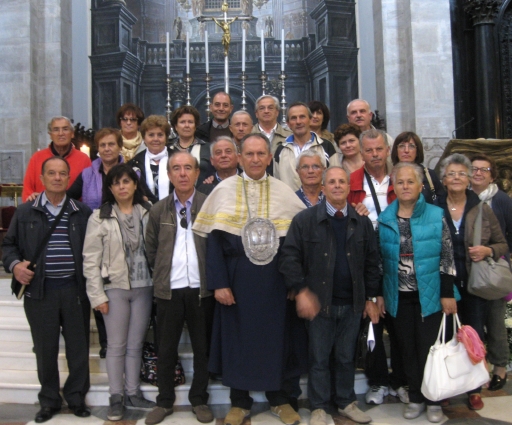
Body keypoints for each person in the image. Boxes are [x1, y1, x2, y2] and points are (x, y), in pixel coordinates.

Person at [193, 134, 307, 425]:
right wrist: (219, 283)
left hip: (275, 281)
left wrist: (294, 284)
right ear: (240, 158)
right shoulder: (224, 190)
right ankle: (239, 402)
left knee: (277, 339)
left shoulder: (284, 191)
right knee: (237, 340)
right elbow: (214, 245)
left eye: (261, 154)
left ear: (269, 158)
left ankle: (280, 400)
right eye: (249, 154)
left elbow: (296, 245)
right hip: (236, 280)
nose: (255, 159)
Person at [280, 166, 381, 425]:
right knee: (319, 359)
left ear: (349, 188)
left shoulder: (361, 222)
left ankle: (346, 402)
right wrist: (301, 290)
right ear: (323, 188)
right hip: (319, 304)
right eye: (332, 182)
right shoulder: (304, 220)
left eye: (342, 182)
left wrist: (371, 297)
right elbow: (289, 258)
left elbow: (372, 261)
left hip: (352, 303)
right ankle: (319, 407)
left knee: (347, 357)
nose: (337, 186)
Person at [2, 157, 92, 423]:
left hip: (75, 289)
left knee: (78, 348)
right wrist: (15, 265)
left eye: (62, 173)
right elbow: (8, 246)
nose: (56, 178)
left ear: (68, 178)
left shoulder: (81, 211)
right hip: (41, 291)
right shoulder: (26, 212)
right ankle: (49, 400)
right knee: (45, 348)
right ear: (41, 178)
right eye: (51, 173)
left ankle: (76, 398)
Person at [379, 162, 458, 423]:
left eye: (410, 181)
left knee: (429, 349)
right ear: (394, 187)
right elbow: (379, 262)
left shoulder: (436, 215)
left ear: (421, 185)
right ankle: (415, 396)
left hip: (431, 295)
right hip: (399, 296)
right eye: (400, 182)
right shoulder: (385, 218)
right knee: (406, 350)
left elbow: (447, 255)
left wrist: (447, 292)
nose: (405, 186)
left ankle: (433, 399)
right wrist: (378, 295)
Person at [145, 152, 214, 425]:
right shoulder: (158, 210)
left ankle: (199, 399)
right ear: (170, 175)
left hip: (201, 290)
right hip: (169, 291)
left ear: (197, 173)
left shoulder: (209, 205)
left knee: (202, 348)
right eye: (176, 168)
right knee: (167, 349)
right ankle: (164, 401)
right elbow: (151, 249)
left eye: (188, 168)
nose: (182, 173)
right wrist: (163, 273)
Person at [83, 164, 155, 421]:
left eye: (127, 181)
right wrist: (97, 296)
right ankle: (116, 397)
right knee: (116, 346)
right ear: (110, 188)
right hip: (114, 289)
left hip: (144, 287)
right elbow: (90, 259)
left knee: (135, 345)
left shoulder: (148, 212)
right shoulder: (99, 216)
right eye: (117, 183)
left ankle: (133, 392)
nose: (122, 186)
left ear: (135, 185)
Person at [438, 153, 508, 411]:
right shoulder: (434, 207)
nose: (456, 178)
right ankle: (446, 386)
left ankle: (473, 389)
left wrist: (488, 251)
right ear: (443, 179)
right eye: (451, 174)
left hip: (474, 285)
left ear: (469, 179)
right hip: (443, 284)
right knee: (446, 338)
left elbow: (501, 243)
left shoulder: (481, 208)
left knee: (474, 337)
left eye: (461, 173)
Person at [347, 128, 408, 406]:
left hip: (400, 259)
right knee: (371, 321)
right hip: (365, 261)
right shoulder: (351, 182)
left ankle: (401, 380)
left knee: (400, 324)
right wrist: (354, 213)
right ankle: (378, 381)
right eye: (368, 150)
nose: (374, 155)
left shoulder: (402, 179)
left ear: (387, 150)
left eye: (379, 149)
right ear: (362, 152)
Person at [68, 127, 126, 358]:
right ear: (97, 149)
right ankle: (105, 341)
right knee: (99, 289)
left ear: (119, 147)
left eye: (111, 144)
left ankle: (121, 339)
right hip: (95, 237)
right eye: (102, 145)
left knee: (117, 290)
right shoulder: (87, 174)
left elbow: (142, 198)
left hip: (121, 240)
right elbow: (68, 198)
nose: (107, 149)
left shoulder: (132, 172)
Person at [470, 153, 512, 390]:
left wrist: (495, 253)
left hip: (494, 269)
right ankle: (478, 367)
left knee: (495, 322)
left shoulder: (502, 200)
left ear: (492, 175)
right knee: (474, 322)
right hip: (470, 270)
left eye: (483, 170)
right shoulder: (464, 198)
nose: (477, 173)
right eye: (474, 169)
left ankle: (500, 367)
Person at [22, 116, 91, 202]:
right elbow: (27, 191)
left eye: (65, 129)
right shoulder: (37, 158)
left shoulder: (84, 159)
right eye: (56, 130)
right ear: (50, 135)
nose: (61, 133)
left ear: (72, 133)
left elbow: (89, 192)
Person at [274, 102, 336, 191]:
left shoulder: (326, 146)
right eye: (294, 118)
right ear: (288, 123)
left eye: (302, 117)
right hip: (290, 204)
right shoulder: (280, 150)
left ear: (310, 120)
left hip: (321, 203)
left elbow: (336, 177)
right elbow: (277, 183)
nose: (298, 122)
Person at [390, 131, 445, 204]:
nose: (406, 150)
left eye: (411, 146)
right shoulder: (389, 176)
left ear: (417, 151)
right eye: (402, 146)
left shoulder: (429, 175)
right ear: (396, 151)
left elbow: (443, 201)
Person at [129, 115, 173, 204]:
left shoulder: (179, 158)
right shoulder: (134, 163)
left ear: (166, 137)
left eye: (160, 135)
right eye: (151, 135)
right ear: (144, 138)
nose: (155, 139)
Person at [169, 105, 214, 185]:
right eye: (182, 122)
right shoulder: (168, 148)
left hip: (202, 195)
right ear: (176, 126)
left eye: (190, 122)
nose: (187, 125)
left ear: (195, 126)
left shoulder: (208, 148)